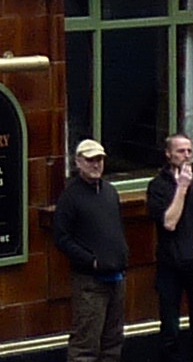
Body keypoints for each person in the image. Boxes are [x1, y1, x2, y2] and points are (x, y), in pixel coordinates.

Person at [147, 133, 193, 362]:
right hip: (170, 266)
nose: (187, 155)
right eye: (181, 151)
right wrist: (181, 188)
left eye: (190, 150)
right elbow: (169, 223)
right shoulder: (158, 186)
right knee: (170, 327)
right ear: (168, 154)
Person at [53, 138, 129, 362]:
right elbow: (61, 238)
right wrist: (90, 261)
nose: (96, 165)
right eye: (90, 160)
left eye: (100, 160)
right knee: (86, 343)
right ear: (78, 162)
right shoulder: (70, 197)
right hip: (89, 282)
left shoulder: (110, 192)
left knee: (113, 341)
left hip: (117, 277)